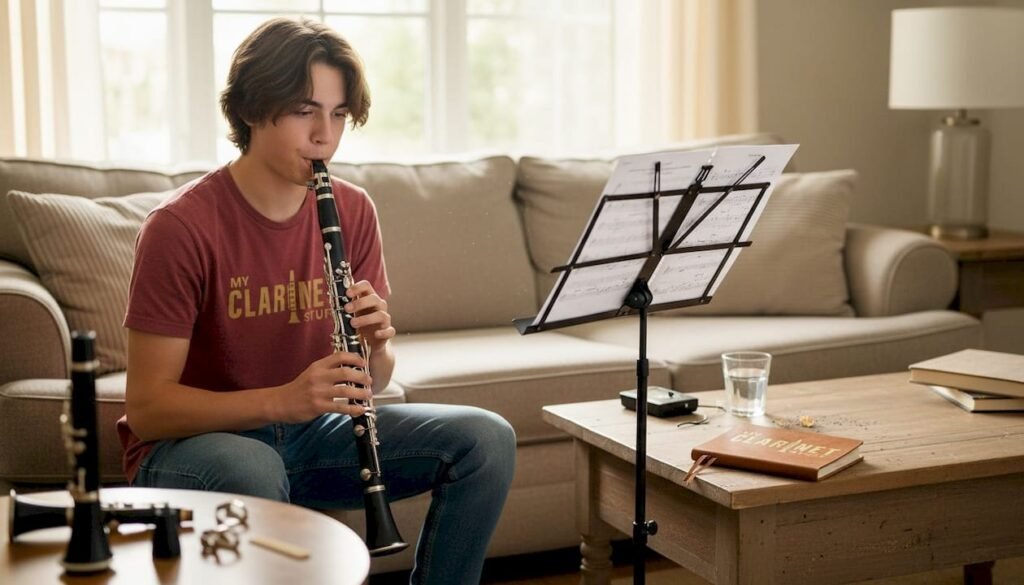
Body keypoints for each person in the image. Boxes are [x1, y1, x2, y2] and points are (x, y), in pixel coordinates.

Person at [117, 17, 516, 584]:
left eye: (339, 114)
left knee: (487, 439)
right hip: (195, 450)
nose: (325, 135)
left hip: (307, 435)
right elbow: (149, 409)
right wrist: (282, 401)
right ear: (252, 109)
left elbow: (373, 380)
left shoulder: (353, 209)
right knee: (252, 463)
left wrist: (377, 346)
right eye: (305, 111)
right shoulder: (179, 227)